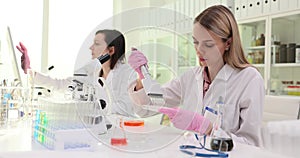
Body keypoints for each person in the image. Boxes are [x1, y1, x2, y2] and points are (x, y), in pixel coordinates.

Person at [127, 5, 265, 147]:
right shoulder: (191, 77)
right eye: (195, 42)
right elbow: (146, 108)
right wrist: (141, 76)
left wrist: (209, 129)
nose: (199, 50)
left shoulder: (249, 79)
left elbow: (251, 144)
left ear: (228, 43)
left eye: (208, 44)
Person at [16, 29, 138, 117]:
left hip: (124, 134)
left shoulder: (128, 74)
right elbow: (62, 85)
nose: (91, 47)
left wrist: (92, 107)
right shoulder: (92, 72)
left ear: (111, 50)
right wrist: (29, 70)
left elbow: (125, 108)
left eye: (96, 44)